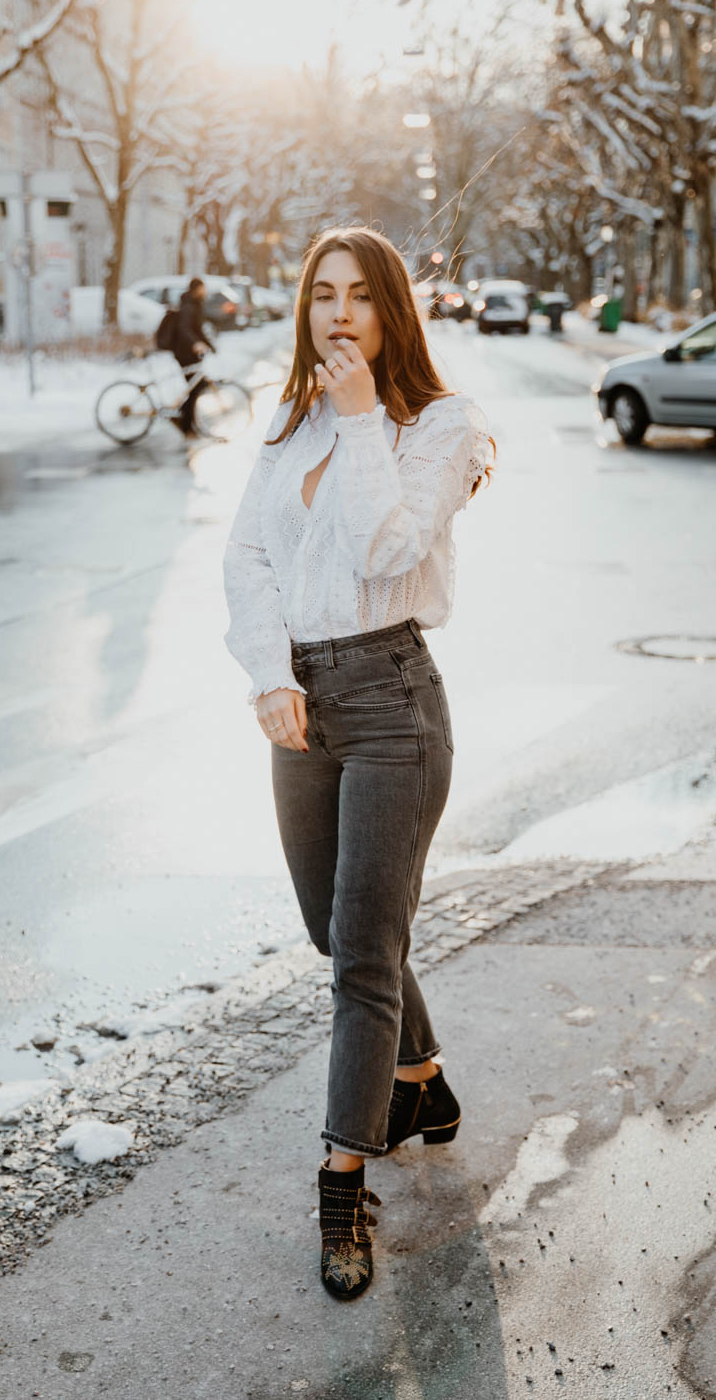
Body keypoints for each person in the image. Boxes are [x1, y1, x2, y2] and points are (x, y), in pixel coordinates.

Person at [223, 226, 494, 1300]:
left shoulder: (439, 429)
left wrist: (358, 418)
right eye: (321, 294)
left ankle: (342, 1189)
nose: (337, 313)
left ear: (391, 313)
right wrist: (266, 674)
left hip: (393, 706)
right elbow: (245, 559)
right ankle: (420, 1083)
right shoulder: (289, 425)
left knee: (361, 962)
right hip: (305, 705)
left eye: (359, 297)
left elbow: (386, 549)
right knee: (335, 931)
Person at [171, 277, 215, 437]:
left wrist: (210, 345)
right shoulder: (189, 306)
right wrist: (196, 343)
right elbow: (185, 329)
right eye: (203, 288)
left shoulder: (194, 304)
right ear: (196, 289)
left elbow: (198, 329)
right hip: (185, 353)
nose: (205, 291)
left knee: (195, 386)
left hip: (189, 352)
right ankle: (185, 424)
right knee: (195, 386)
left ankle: (185, 420)